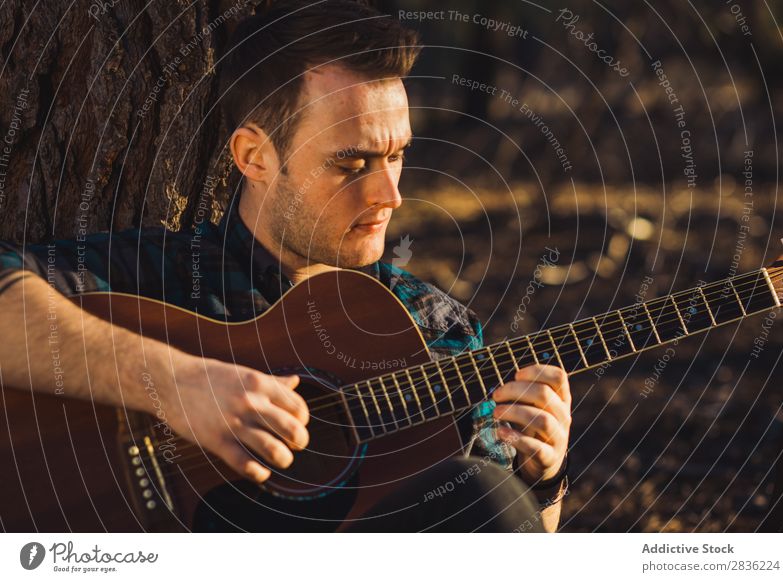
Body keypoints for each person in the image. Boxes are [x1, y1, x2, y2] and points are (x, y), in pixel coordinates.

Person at [0, 0, 570, 532]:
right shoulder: (159, 275)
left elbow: (505, 531)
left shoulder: (435, 329)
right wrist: (172, 382)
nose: (391, 194)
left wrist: (542, 480)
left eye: (396, 156)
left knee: (485, 491)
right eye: (352, 164)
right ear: (255, 156)